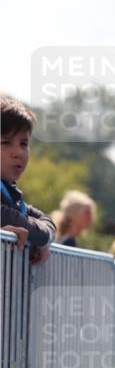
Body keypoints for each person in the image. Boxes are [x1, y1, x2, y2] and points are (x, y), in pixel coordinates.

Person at [1, 96, 55, 264]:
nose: (18, 152)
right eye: (5, 142)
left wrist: (41, 239)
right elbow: (41, 232)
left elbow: (47, 225)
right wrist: (40, 238)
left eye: (23, 143)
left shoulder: (11, 194)